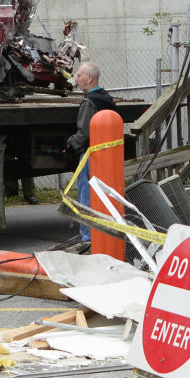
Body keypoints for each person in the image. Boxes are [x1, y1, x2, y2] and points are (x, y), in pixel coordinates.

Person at [65, 61, 117, 244]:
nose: (76, 79)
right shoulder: (107, 99)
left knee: (85, 194)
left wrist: (70, 144)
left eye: (79, 75)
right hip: (107, 155)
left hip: (90, 154)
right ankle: (105, 231)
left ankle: (87, 236)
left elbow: (84, 133)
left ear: (89, 78)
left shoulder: (89, 103)